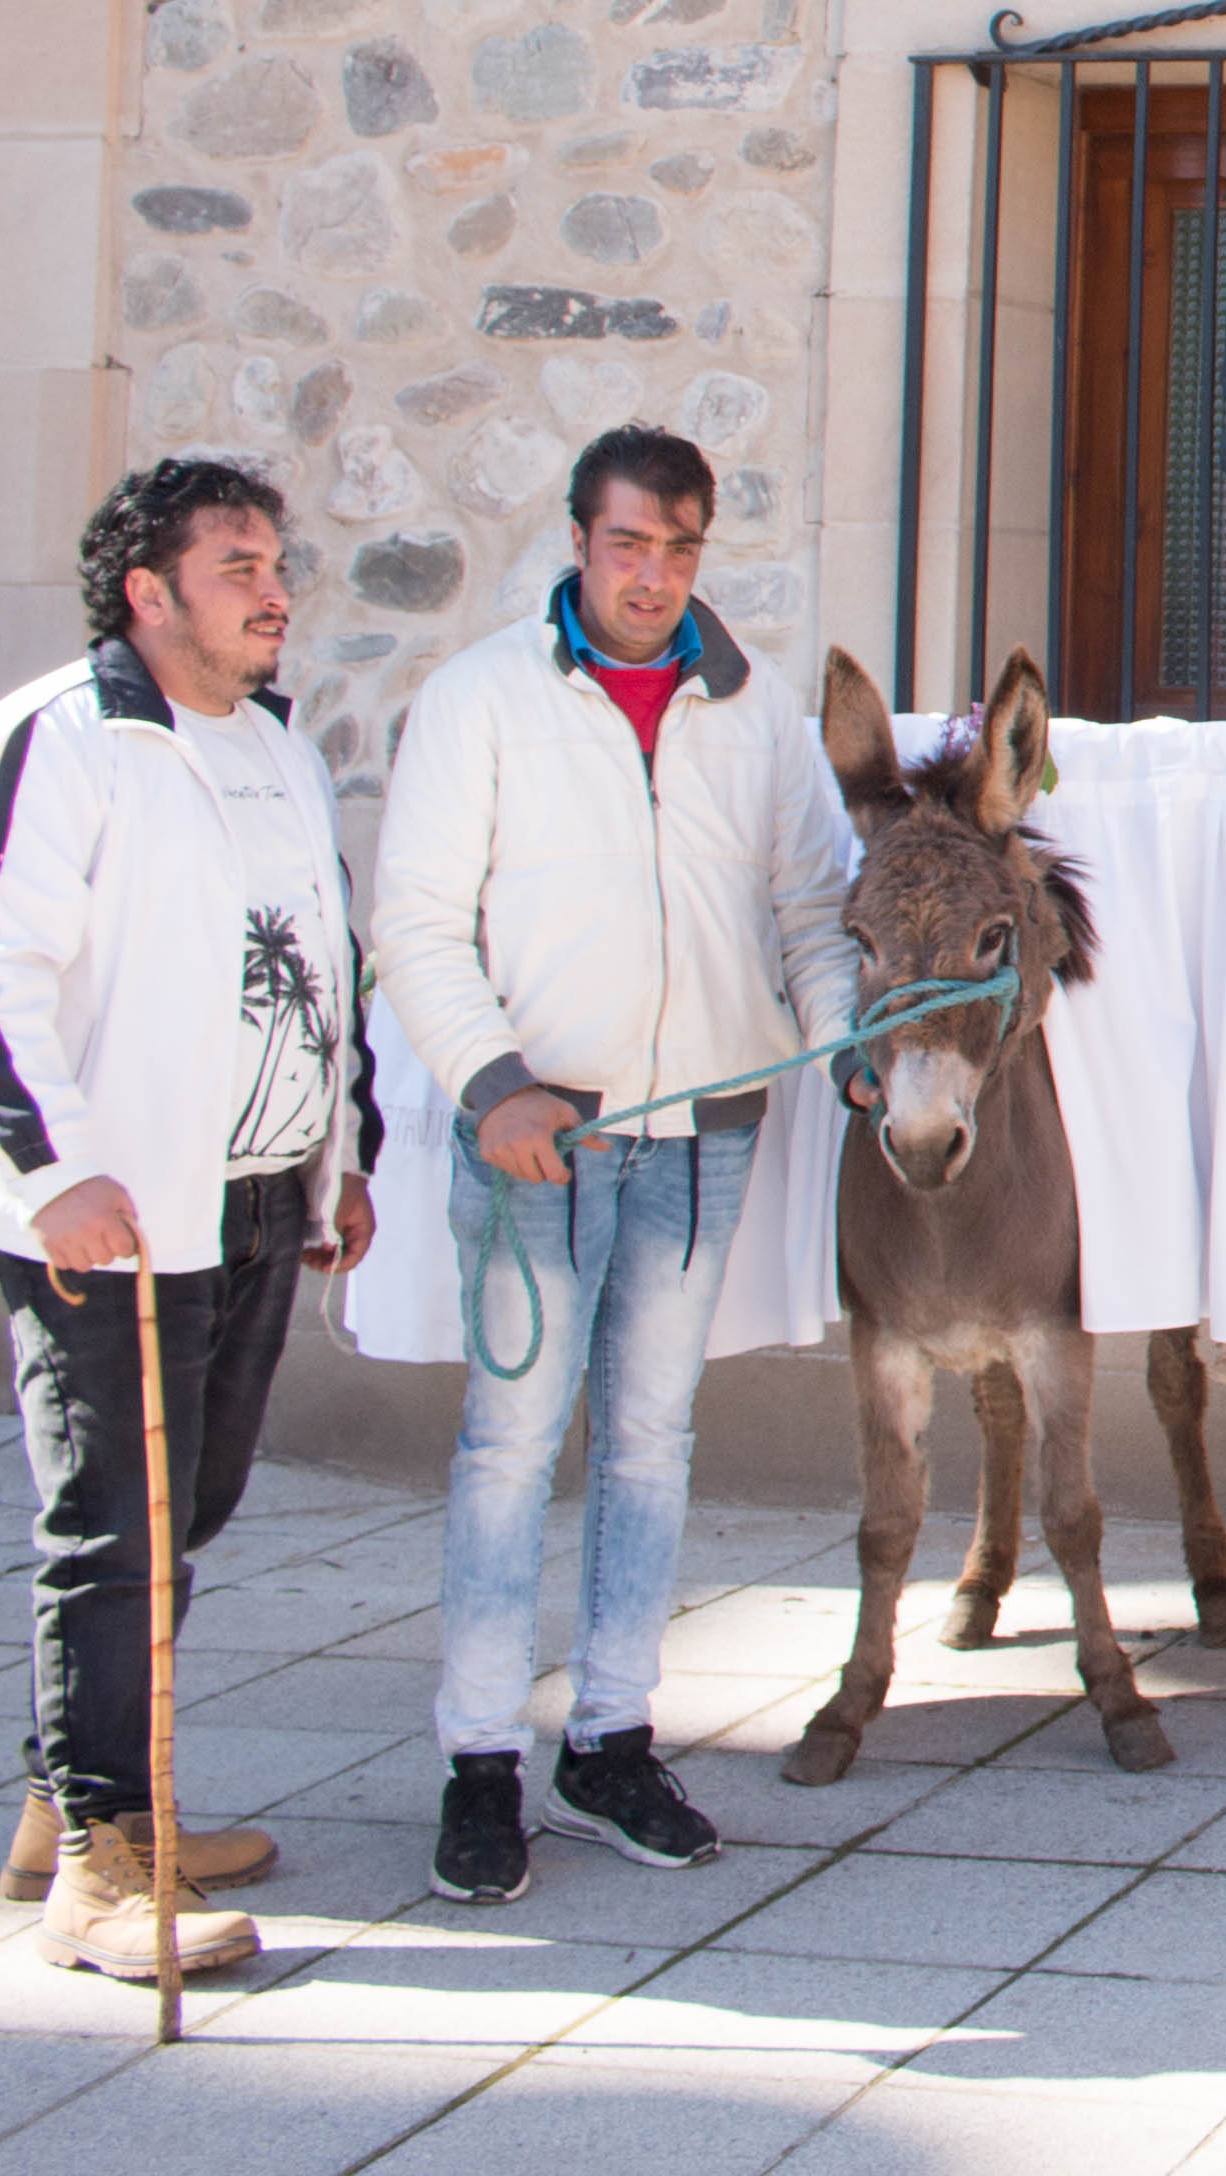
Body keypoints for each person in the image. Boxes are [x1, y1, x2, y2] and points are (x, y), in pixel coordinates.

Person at [373, 425, 860, 1905]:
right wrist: (493, 1084)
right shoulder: (482, 703)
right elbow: (415, 923)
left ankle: (611, 1739)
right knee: (512, 1448)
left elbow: (814, 907)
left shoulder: (755, 708)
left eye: (682, 549)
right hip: (544, 1139)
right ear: (580, 544)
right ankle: (478, 1762)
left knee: (652, 1445)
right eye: (629, 545)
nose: (655, 576)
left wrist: (845, 1041)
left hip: (699, 1138)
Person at [0, 460, 373, 1986]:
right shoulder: (53, 744)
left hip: (245, 1196)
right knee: (117, 1522)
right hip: (103, 1210)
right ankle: (107, 1856)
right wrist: (54, 1175)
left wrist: (339, 1157)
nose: (274, 587)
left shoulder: (272, 750)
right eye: (238, 562)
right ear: (148, 590)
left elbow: (326, 967)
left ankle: (74, 1805)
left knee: (201, 1502)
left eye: (276, 558)